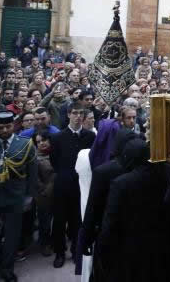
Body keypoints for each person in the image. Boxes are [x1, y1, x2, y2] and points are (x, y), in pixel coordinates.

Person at [98, 138, 169, 281]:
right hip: (156, 246)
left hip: (127, 248)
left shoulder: (120, 183)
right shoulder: (162, 178)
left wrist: (102, 248)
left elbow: (110, 221)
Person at [0, 111, 37, 282]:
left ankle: (7, 269)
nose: (5, 130)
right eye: (1, 127)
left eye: (8, 126)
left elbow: (32, 172)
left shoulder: (25, 144)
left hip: (15, 195)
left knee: (12, 235)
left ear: (14, 125)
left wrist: (29, 196)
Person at [80, 128, 137, 281]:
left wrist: (86, 239)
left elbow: (93, 207)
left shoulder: (103, 171)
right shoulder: (144, 169)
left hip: (109, 230)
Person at [49, 101, 95, 268]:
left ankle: (77, 250)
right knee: (60, 220)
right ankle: (60, 252)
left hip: (82, 185)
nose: (77, 117)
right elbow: (54, 160)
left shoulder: (90, 137)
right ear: (68, 114)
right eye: (74, 113)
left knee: (78, 219)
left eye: (80, 114)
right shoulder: (58, 137)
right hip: (63, 184)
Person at [74, 120, 120, 281]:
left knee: (90, 248)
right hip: (108, 209)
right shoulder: (120, 162)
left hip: (88, 206)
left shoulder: (83, 155)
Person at [32, 128, 55, 257]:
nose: (41, 143)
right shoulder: (33, 157)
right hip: (43, 194)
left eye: (44, 140)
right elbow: (33, 178)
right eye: (38, 142)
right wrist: (45, 189)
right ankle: (44, 244)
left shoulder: (57, 153)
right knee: (44, 221)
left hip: (58, 191)